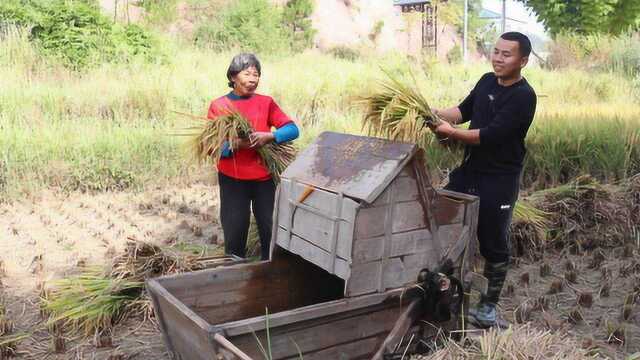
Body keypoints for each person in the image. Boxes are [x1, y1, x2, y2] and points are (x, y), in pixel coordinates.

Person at [430, 32, 537, 328]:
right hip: (470, 171)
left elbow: (488, 136)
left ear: (523, 61)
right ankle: (443, 294)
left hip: (499, 179)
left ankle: (488, 307)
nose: (498, 58)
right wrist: (435, 114)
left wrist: (449, 132)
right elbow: (462, 111)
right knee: (442, 220)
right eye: (496, 51)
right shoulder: (486, 81)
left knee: (493, 241)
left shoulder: (524, 96)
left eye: (507, 54)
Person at [207, 53, 299, 260]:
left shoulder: (266, 102)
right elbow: (211, 146)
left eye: (256, 74)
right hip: (233, 180)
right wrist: (234, 145)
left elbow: (293, 130)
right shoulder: (219, 105)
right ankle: (234, 272)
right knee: (235, 230)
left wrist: (271, 136)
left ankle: (269, 271)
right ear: (232, 77)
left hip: (264, 179)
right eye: (247, 73)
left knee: (270, 228)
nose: (253, 79)